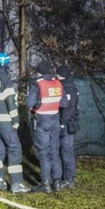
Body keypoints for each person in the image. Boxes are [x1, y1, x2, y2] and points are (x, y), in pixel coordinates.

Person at [0, 52, 31, 193]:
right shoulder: (5, 80)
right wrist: (15, 121)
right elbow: (10, 102)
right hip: (6, 123)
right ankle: (16, 184)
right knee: (14, 149)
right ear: (7, 64)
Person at [26, 61, 68, 193]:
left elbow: (29, 103)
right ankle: (57, 182)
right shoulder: (58, 83)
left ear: (38, 72)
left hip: (42, 121)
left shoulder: (37, 84)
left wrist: (38, 106)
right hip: (55, 120)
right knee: (54, 151)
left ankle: (46, 184)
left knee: (43, 153)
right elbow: (64, 103)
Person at [56, 64, 79, 189]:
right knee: (64, 150)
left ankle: (69, 179)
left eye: (57, 74)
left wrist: (62, 124)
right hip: (67, 122)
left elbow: (68, 109)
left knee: (66, 151)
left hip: (67, 124)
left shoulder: (68, 88)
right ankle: (66, 177)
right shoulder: (68, 86)